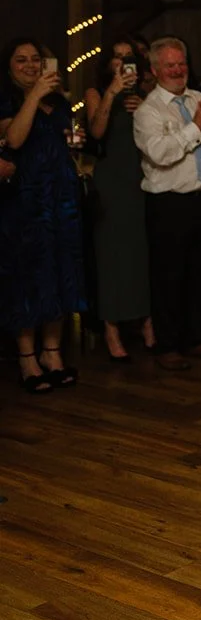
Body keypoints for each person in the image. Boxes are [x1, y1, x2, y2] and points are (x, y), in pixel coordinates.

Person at [133, 37, 201, 372]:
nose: (178, 70)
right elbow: (161, 154)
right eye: (170, 65)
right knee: (168, 276)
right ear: (154, 69)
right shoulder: (147, 111)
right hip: (170, 204)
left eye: (181, 64)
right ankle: (168, 344)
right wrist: (196, 127)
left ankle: (196, 339)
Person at [0, 38, 85, 392]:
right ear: (9, 67)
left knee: (62, 272)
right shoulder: (7, 100)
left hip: (62, 196)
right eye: (21, 60)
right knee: (27, 277)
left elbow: (69, 138)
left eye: (36, 59)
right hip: (25, 200)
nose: (31, 65)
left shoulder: (60, 101)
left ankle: (52, 352)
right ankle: (27, 358)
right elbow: (14, 141)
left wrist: (73, 141)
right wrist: (33, 96)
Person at [85, 36, 153, 361]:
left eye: (128, 58)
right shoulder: (95, 93)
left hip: (140, 177)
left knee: (140, 251)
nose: (123, 62)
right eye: (117, 57)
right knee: (112, 254)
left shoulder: (145, 95)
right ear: (108, 64)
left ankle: (145, 318)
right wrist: (112, 92)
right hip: (111, 179)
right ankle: (111, 326)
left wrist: (145, 109)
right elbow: (97, 132)